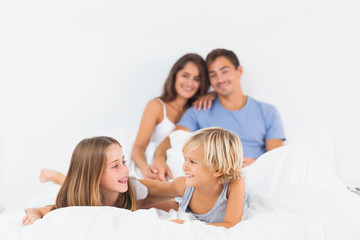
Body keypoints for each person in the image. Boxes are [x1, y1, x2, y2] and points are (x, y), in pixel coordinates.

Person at [153, 48, 286, 181]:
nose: (220, 79)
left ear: (239, 71)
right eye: (213, 75)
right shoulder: (199, 111)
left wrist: (256, 164)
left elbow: (277, 158)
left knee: (300, 153)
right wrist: (159, 160)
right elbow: (173, 139)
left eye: (224, 71)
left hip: (255, 176)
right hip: (217, 181)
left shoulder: (267, 112)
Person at [22, 136, 145, 225]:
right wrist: (34, 214)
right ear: (94, 174)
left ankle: (57, 176)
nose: (126, 170)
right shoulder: (74, 203)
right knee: (73, 185)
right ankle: (56, 176)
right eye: (115, 166)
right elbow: (37, 210)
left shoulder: (130, 193)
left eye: (124, 162)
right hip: (85, 185)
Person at [140, 127, 246, 229]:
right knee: (142, 202)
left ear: (218, 170)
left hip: (186, 204)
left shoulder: (235, 185)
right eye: (185, 159)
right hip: (183, 203)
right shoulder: (184, 185)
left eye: (192, 162)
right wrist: (127, 183)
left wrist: (186, 225)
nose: (184, 166)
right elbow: (155, 187)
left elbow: (231, 224)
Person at [131, 53, 210, 180]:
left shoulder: (197, 111)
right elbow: (138, 147)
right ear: (175, 76)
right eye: (185, 76)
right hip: (159, 168)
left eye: (197, 79)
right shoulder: (156, 106)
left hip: (185, 170)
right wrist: (145, 168)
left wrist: (211, 95)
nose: (190, 83)